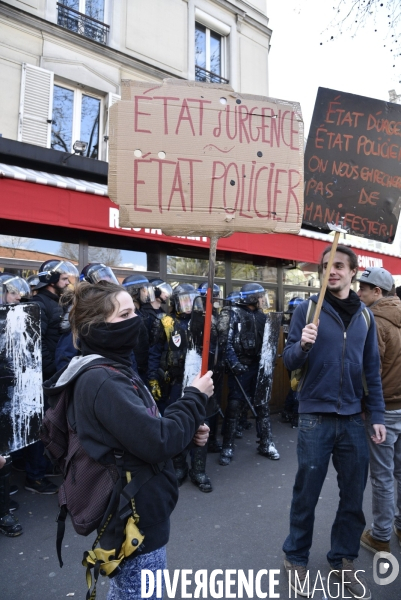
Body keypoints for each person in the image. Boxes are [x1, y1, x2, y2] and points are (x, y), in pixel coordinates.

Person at [43, 281, 213, 600]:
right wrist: (194, 398)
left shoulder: (115, 367)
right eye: (125, 314)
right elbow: (156, 440)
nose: (136, 319)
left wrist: (188, 430)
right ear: (97, 327)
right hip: (132, 519)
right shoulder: (102, 379)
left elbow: (139, 431)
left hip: (137, 514)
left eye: (134, 310)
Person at [282, 244, 386, 600]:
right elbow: (289, 361)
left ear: (354, 272)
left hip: (354, 419)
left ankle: (343, 558)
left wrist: (378, 416)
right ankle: (295, 557)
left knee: (352, 497)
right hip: (314, 417)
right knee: (306, 494)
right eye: (327, 266)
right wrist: (303, 346)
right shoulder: (307, 309)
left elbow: (372, 368)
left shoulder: (365, 315)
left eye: (340, 266)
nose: (333, 271)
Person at [356, 267, 401, 553]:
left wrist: (362, 405)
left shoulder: (374, 321)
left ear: (379, 292)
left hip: (382, 410)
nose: (359, 293)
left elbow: (367, 371)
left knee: (383, 475)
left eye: (364, 288)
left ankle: (381, 535)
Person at [24, 259, 78, 494]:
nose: (67, 283)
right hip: (44, 376)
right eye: (64, 279)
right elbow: (37, 344)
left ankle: (43, 467)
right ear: (51, 279)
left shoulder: (56, 303)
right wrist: (53, 371)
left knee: (50, 424)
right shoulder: (39, 304)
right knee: (41, 425)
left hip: (53, 374)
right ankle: (34, 477)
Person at [219, 283, 279, 466]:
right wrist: (234, 363)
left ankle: (266, 442)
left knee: (262, 404)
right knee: (235, 404)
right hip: (241, 368)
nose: (263, 300)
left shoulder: (263, 317)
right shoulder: (232, 314)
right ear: (252, 298)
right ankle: (227, 446)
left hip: (258, 367)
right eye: (260, 296)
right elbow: (225, 341)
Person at [0, 274, 31, 537]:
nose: (18, 297)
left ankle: (3, 509)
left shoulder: (15, 319)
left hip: (6, 395)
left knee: (3, 456)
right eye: (12, 292)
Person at [55, 263, 119, 370]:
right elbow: (64, 361)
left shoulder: (113, 312)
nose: (109, 288)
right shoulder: (81, 316)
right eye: (104, 283)